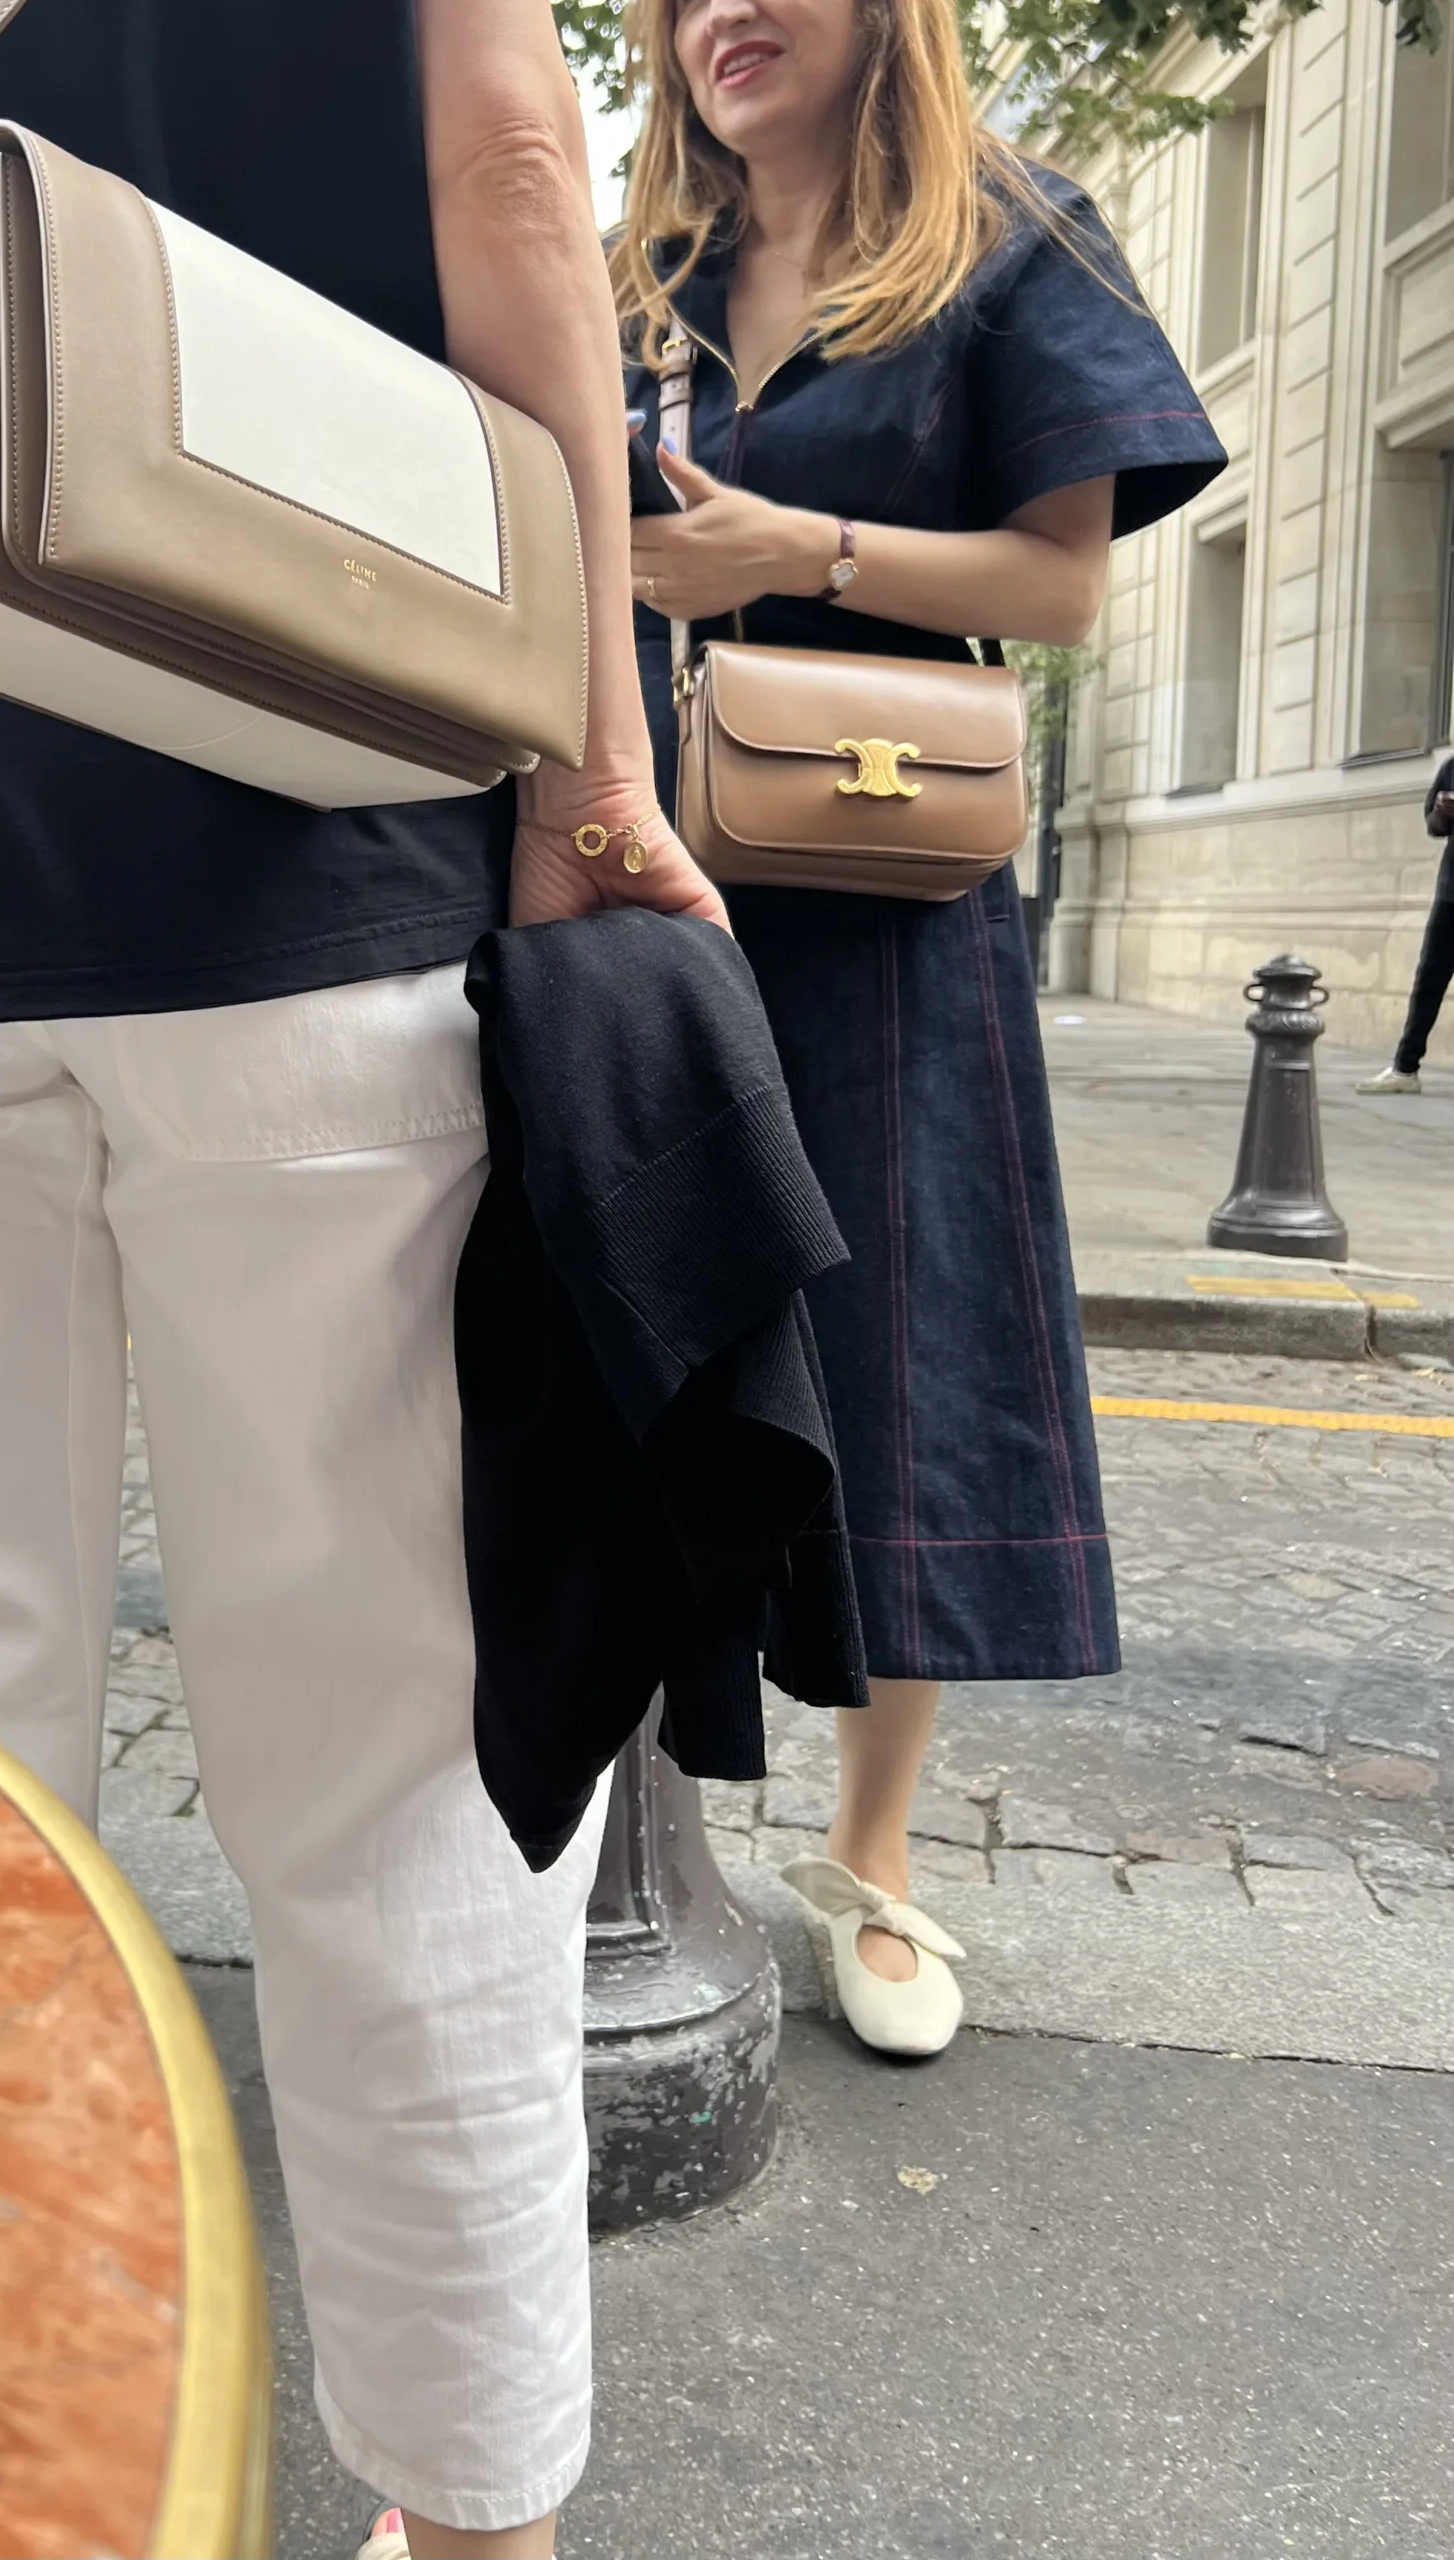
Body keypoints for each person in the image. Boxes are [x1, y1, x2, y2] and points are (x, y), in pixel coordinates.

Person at [0, 0, 723, 2548]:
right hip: (299, 799)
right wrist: (589, 769)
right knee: (400, 1748)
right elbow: (504, 148)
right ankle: (472, 2508)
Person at [618, 0, 1225, 2056]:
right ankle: (634, 1837)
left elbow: (1058, 591)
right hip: (641, 875)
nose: (721, 17)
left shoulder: (1003, 237)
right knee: (644, 1338)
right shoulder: (634, 274)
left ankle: (874, 1863)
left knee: (902, 1344)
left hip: (881, 887)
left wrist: (809, 549)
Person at [1355, 752, 1454, 1094]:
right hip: (1451, 893)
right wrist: (1442, 813)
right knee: (1429, 979)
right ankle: (1404, 1069)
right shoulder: (1453, 766)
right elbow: (1433, 826)